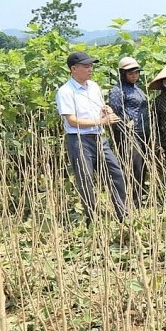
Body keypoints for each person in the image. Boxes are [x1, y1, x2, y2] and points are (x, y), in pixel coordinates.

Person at [56, 51, 127, 224]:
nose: (90, 69)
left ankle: (123, 214)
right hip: (79, 140)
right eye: (86, 66)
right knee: (86, 179)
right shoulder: (65, 91)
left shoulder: (93, 86)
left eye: (91, 66)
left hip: (99, 138)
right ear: (74, 69)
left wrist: (107, 110)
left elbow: (101, 106)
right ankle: (92, 219)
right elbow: (72, 121)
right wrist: (102, 121)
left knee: (116, 173)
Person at [108, 56, 150, 208]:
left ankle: (138, 200)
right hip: (129, 136)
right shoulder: (117, 91)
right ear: (122, 74)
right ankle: (131, 202)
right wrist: (127, 128)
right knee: (133, 168)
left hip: (143, 134)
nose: (134, 76)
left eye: (136, 73)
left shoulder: (137, 89)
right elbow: (116, 113)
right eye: (131, 73)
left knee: (142, 168)